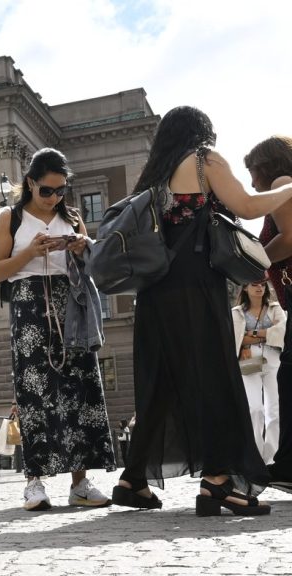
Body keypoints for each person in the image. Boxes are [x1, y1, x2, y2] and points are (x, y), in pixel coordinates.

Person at [112, 106, 292, 516]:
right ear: (202, 133)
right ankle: (217, 481)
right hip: (195, 285)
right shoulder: (203, 159)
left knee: (161, 385)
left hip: (155, 291)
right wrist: (289, 188)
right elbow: (246, 206)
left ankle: (132, 479)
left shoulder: (153, 176)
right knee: (212, 377)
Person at [0, 148, 116, 512]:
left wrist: (81, 247)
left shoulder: (72, 216)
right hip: (29, 307)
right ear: (30, 183)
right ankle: (35, 483)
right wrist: (29, 252)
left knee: (81, 390)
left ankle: (80, 483)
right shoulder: (8, 218)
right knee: (35, 393)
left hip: (72, 304)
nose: (55, 197)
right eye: (47, 190)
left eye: (61, 190)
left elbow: (91, 267)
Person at [246, 135, 292, 490]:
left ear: (267, 167)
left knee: (288, 378)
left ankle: (288, 465)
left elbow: (290, 237)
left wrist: (253, 261)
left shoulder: (282, 183)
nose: (252, 184)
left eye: (253, 174)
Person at [232, 279, 285, 464]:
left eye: (263, 284)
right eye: (254, 284)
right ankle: (255, 456)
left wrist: (251, 335)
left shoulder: (275, 308)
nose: (259, 287)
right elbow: (236, 339)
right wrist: (265, 333)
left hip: (273, 357)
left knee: (275, 410)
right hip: (248, 358)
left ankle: (271, 458)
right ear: (245, 288)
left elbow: (282, 330)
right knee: (255, 408)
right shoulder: (236, 313)